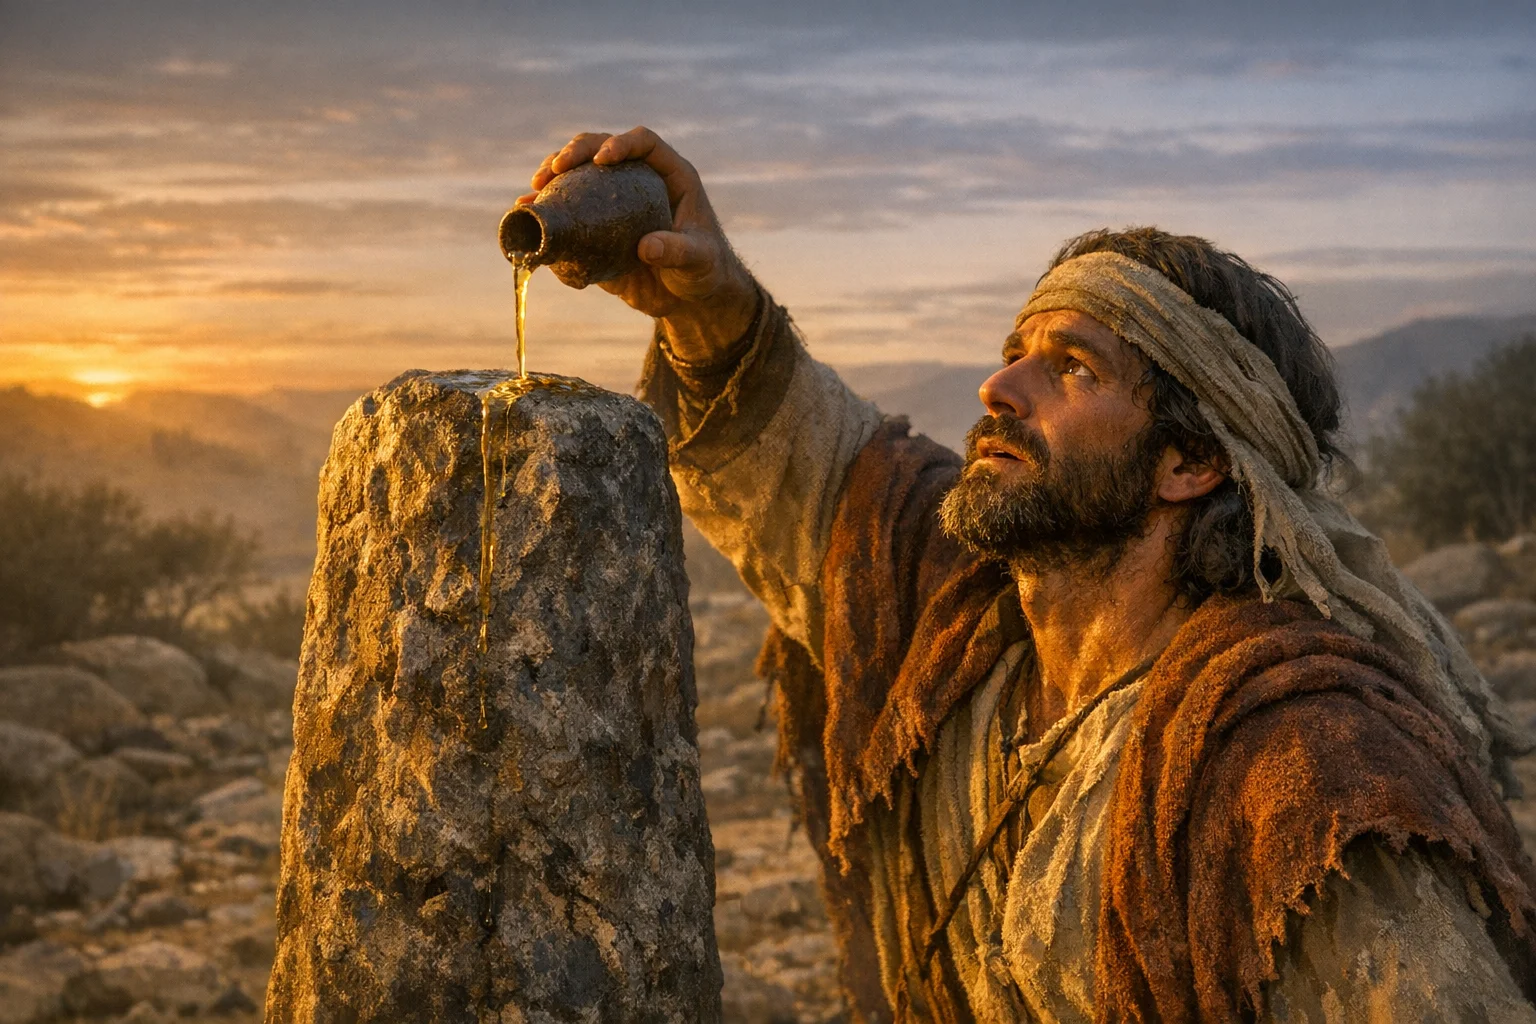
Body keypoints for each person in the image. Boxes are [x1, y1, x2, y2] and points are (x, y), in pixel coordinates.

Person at [518, 128, 1536, 1022]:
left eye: (1072, 368)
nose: (997, 386)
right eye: (1015, 352)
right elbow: (810, 468)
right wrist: (707, 304)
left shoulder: (1298, 774)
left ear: (1190, 462)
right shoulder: (955, 630)